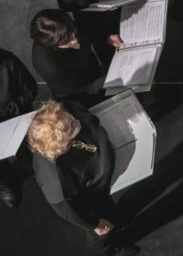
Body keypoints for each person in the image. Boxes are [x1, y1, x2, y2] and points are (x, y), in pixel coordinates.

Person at [28, 101, 140, 255]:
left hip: (101, 190)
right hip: (89, 204)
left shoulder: (67, 113)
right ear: (61, 146)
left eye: (69, 117)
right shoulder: (56, 182)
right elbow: (69, 210)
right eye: (71, 127)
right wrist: (95, 224)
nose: (76, 121)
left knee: (110, 212)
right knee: (100, 237)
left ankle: (119, 230)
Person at [29, 9, 107, 106]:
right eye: (67, 41)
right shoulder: (49, 66)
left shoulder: (65, 26)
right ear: (53, 44)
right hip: (79, 96)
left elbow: (88, 32)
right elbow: (86, 89)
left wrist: (107, 38)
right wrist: (110, 77)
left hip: (93, 74)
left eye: (73, 32)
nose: (75, 40)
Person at [0, 47, 38, 209]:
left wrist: (7, 111)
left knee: (29, 150)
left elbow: (31, 91)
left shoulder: (7, 61)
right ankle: (4, 180)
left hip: (18, 118)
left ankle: (34, 163)